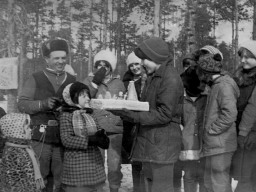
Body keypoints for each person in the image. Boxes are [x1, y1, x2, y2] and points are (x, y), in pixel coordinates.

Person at [110, 37, 184, 192]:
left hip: (163, 145)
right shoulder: (154, 76)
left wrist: (132, 116)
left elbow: (164, 114)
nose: (142, 63)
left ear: (155, 57)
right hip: (153, 143)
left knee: (161, 188)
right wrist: (124, 108)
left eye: (144, 59)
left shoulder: (169, 78)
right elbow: (147, 108)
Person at [18, 38, 76, 192]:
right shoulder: (35, 77)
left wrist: (67, 108)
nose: (61, 61)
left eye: (63, 58)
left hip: (63, 137)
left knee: (62, 177)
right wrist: (42, 104)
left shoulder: (71, 80)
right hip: (40, 136)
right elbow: (22, 104)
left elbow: (79, 105)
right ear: (46, 59)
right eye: (56, 58)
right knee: (40, 176)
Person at [82, 49, 126, 192]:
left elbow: (124, 102)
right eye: (99, 65)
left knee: (114, 163)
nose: (102, 68)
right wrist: (95, 81)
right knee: (96, 162)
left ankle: (114, 188)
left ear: (111, 67)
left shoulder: (118, 82)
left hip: (115, 127)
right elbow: (84, 98)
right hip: (97, 127)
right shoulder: (89, 80)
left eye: (105, 65)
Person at [196, 53, 239, 192]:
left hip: (221, 145)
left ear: (205, 73)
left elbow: (230, 114)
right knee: (210, 183)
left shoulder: (223, 86)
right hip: (215, 144)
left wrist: (211, 130)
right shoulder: (215, 85)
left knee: (219, 184)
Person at [60, 81, 109, 192]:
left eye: (88, 95)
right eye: (83, 96)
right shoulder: (66, 115)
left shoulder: (89, 114)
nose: (88, 98)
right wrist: (90, 140)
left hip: (94, 164)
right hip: (77, 165)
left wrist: (102, 137)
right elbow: (66, 140)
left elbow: (97, 129)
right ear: (73, 98)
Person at [231, 40, 256, 192]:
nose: (242, 60)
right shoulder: (237, 77)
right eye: (241, 56)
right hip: (239, 131)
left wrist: (248, 132)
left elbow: (253, 107)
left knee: (247, 178)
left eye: (247, 57)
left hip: (250, 134)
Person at [180, 63, 207, 192]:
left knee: (204, 176)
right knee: (189, 175)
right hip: (188, 144)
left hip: (205, 143)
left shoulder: (207, 98)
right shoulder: (181, 99)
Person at [0, 113, 45, 192]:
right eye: (27, 128)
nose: (30, 130)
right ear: (17, 131)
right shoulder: (13, 152)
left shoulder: (23, 148)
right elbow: (12, 184)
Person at [122, 51, 146, 192]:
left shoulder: (150, 79)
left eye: (137, 64)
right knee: (135, 160)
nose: (134, 68)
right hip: (131, 126)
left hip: (145, 123)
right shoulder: (126, 82)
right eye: (131, 65)